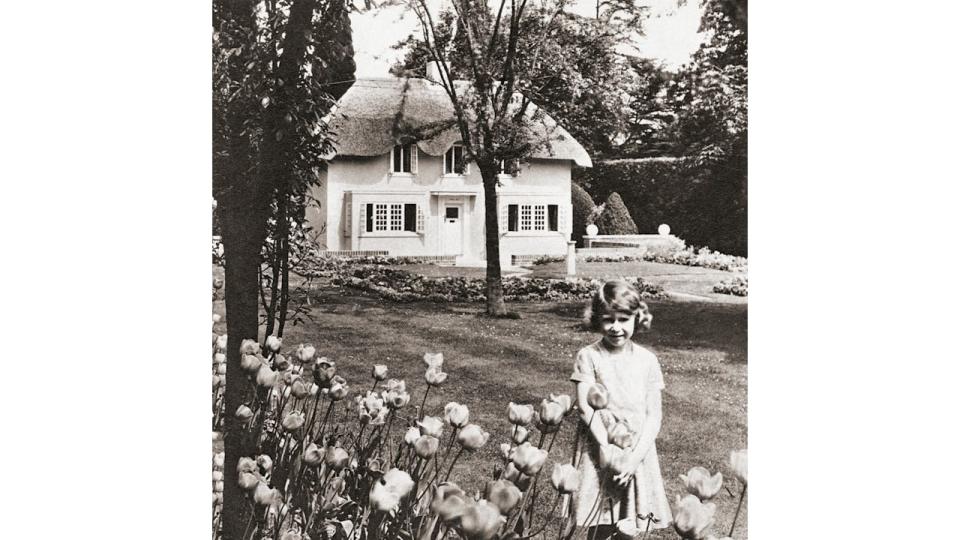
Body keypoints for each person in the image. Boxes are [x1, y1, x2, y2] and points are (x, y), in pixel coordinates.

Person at [569, 280, 672, 535]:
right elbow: (585, 407)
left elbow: (653, 416)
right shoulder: (589, 356)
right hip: (599, 446)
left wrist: (633, 459)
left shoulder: (647, 361)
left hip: (637, 449)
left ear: (637, 319)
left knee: (630, 523)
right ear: (596, 320)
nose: (616, 327)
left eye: (624, 319)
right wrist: (608, 450)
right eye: (608, 320)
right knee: (600, 520)